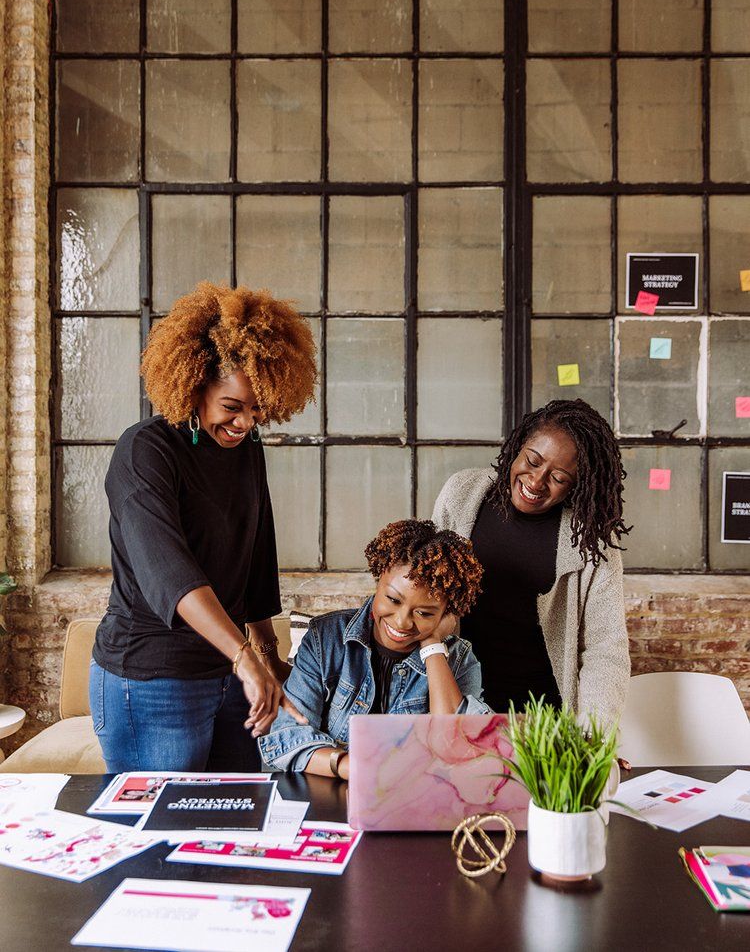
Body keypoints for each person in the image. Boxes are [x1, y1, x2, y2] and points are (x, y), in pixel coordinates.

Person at [90, 282, 317, 773]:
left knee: (240, 810)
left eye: (256, 410)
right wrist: (243, 658)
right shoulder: (145, 451)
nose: (245, 423)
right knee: (159, 820)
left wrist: (266, 654)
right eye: (231, 407)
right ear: (195, 387)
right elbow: (168, 572)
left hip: (229, 672)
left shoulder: (246, 449)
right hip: (152, 678)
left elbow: (255, 557)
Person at [432, 398, 631, 729]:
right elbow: (425, 592)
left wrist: (594, 734)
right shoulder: (463, 493)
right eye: (533, 461)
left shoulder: (590, 539)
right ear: (518, 446)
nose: (537, 482)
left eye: (559, 477)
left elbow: (604, 648)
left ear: (578, 483)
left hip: (543, 719)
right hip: (458, 704)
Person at [259, 519, 490, 779]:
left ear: (447, 614)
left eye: (425, 613)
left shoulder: (459, 661)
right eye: (393, 599)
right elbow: (287, 736)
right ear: (379, 580)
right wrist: (357, 768)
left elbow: (460, 750)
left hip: (413, 798)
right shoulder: (325, 639)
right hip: (332, 791)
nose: (402, 622)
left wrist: (433, 644)